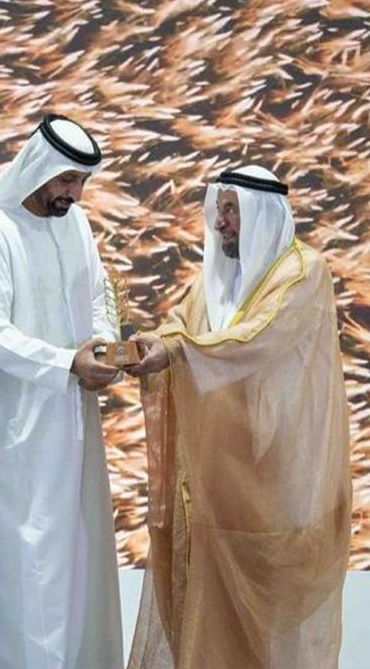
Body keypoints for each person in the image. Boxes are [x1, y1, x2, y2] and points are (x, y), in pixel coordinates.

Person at [125, 166, 351, 669]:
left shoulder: (303, 273)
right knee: (209, 611)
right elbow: (179, 327)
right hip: (212, 481)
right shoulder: (212, 285)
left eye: (233, 211)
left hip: (276, 484)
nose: (221, 223)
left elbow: (255, 339)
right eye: (218, 210)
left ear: (261, 215)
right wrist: (148, 346)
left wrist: (175, 351)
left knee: (270, 624)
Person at [0, 114, 123, 669]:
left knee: (74, 558)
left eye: (80, 183)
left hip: (73, 419)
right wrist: (64, 363)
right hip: (16, 429)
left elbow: (98, 290)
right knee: (26, 566)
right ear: (39, 169)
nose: (73, 194)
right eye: (65, 181)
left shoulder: (73, 225)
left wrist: (107, 344)